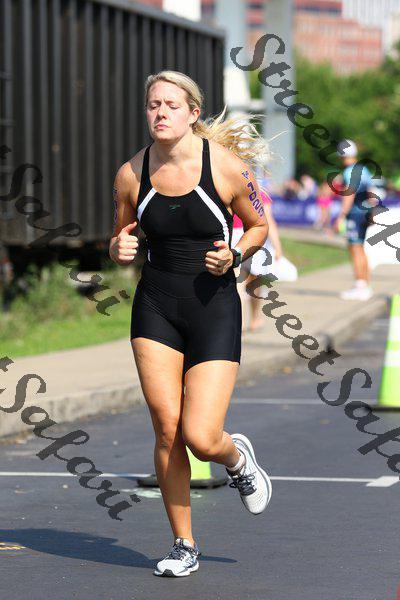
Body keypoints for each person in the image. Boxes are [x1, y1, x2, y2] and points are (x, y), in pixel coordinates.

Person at [109, 71, 273, 578]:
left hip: (213, 306)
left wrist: (236, 255)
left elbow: (260, 225)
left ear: (193, 113)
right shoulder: (130, 174)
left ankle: (236, 458)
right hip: (156, 306)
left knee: (201, 437)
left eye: (171, 104)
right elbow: (119, 237)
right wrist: (118, 248)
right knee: (167, 430)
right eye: (153, 104)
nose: (160, 112)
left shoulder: (225, 167)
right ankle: (184, 544)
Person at [232, 189, 283, 331]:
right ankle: (253, 319)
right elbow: (269, 220)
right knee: (252, 282)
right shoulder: (260, 192)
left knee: (240, 281)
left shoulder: (232, 186)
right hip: (255, 235)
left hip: (235, 235)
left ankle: (242, 321)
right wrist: (277, 247)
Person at [333, 139, 374, 301]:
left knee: (355, 249)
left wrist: (341, 216)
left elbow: (348, 195)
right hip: (365, 214)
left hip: (355, 215)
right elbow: (371, 194)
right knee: (361, 249)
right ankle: (365, 285)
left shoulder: (348, 172)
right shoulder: (364, 169)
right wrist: (372, 213)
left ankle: (360, 286)